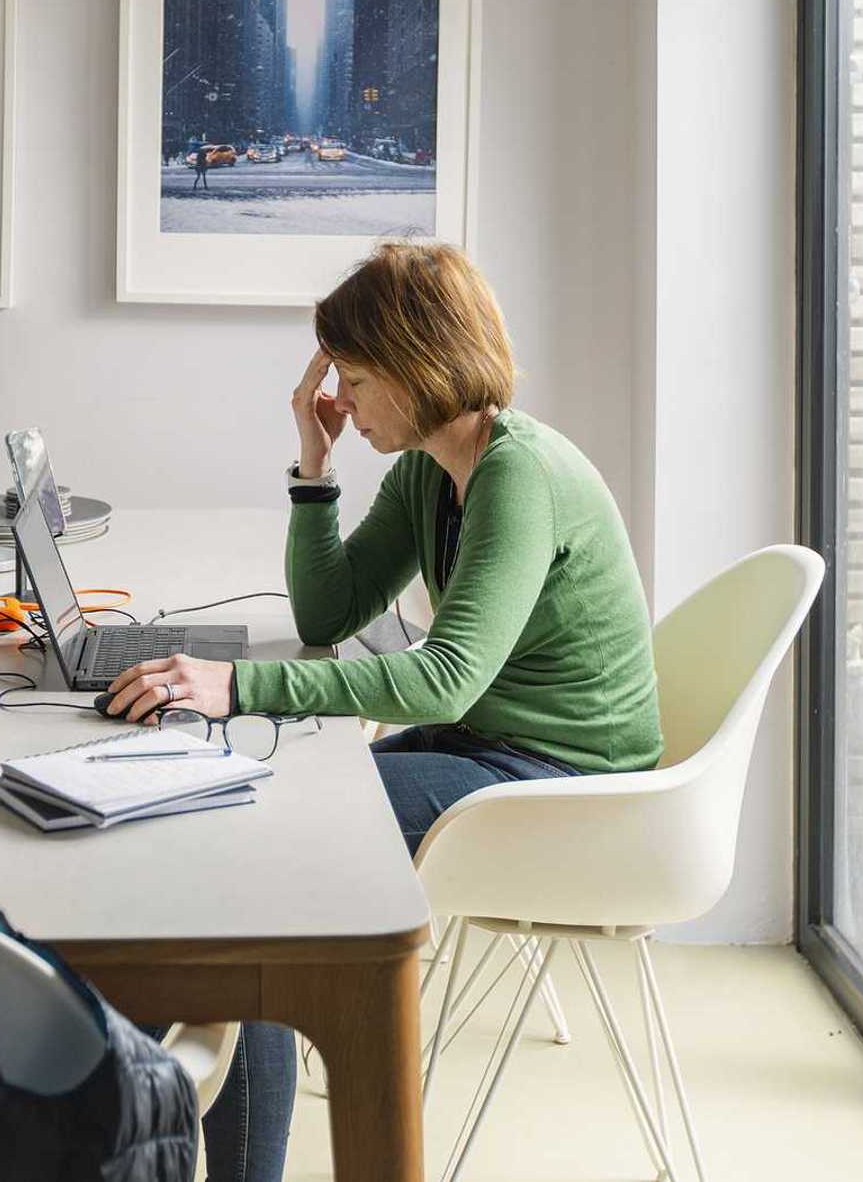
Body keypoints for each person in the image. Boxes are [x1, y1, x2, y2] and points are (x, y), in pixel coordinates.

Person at [105, 240, 663, 1182]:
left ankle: (164, 1118)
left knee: (265, 863)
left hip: (569, 791)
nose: (345, 399)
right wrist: (313, 463)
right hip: (492, 745)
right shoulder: (430, 472)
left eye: (357, 380)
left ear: (418, 368)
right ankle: (127, 1089)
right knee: (248, 822)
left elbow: (443, 677)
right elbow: (328, 613)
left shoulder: (516, 475)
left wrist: (235, 685)